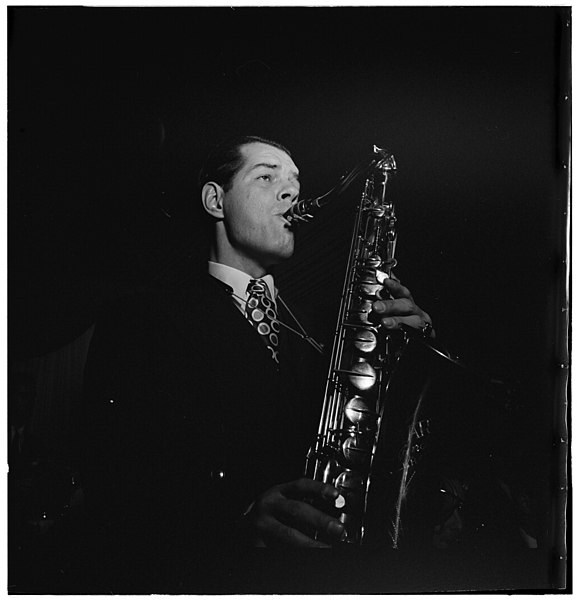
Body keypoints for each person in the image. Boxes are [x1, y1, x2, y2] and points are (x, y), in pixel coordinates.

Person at [79, 135, 433, 591]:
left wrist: (410, 352)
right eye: (267, 177)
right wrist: (238, 520)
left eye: (294, 182)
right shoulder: (140, 317)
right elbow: (113, 481)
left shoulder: (334, 331)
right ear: (215, 200)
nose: (291, 193)